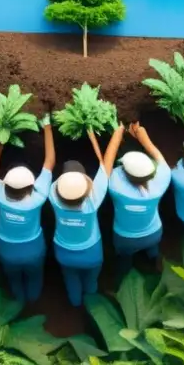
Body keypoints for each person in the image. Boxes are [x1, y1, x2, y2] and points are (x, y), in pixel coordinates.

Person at [49, 124, 124, 307]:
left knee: (71, 281)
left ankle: (75, 306)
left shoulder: (52, 196)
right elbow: (107, 164)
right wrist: (118, 132)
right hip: (92, 254)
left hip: (64, 253)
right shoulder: (94, 199)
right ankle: (91, 308)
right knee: (91, 283)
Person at [0, 114, 54, 302]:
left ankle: (18, 301)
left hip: (5, 249)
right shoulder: (38, 197)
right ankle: (33, 303)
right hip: (33, 249)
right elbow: (49, 162)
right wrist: (47, 127)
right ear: (31, 185)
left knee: (13, 278)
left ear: (5, 182)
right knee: (35, 277)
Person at [108, 122, 172, 278]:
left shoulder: (116, 186)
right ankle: (155, 262)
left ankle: (124, 281)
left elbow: (106, 165)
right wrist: (143, 137)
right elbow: (159, 157)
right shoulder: (161, 181)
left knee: (124, 259)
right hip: (153, 233)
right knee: (152, 248)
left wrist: (116, 136)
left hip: (125, 239)